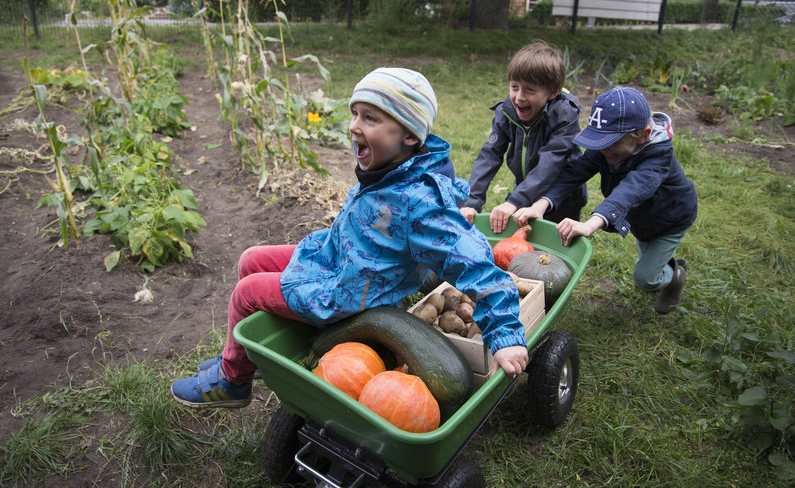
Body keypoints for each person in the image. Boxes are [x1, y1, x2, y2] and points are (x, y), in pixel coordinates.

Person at [171, 68, 529, 408]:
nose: (354, 126)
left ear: (409, 135)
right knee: (251, 259)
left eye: (371, 118)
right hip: (341, 257)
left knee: (245, 294)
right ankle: (248, 357)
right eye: (354, 113)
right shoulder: (388, 168)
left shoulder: (417, 203)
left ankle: (232, 381)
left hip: (351, 290)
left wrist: (505, 336)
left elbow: (475, 262)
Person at [513, 86, 697, 314]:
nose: (603, 149)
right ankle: (661, 266)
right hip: (642, 218)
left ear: (644, 136)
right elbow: (574, 173)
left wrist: (590, 224)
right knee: (649, 257)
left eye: (611, 143)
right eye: (598, 142)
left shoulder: (658, 157)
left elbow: (629, 191)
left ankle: (676, 275)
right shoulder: (606, 148)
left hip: (671, 219)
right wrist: (541, 204)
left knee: (645, 278)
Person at [460, 40, 587, 234]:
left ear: (553, 91)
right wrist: (472, 201)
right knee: (523, 243)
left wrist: (515, 201)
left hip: (561, 197)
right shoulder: (506, 111)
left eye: (529, 90)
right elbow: (490, 154)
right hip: (526, 189)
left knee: (555, 249)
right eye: (514, 86)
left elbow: (551, 162)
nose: (519, 97)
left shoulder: (564, 114)